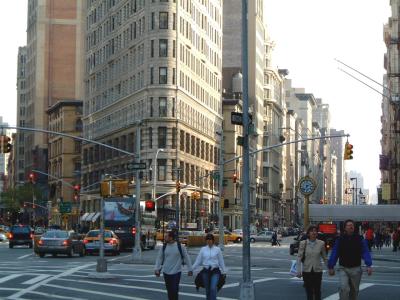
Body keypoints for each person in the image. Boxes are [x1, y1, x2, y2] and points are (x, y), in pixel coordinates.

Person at [328, 219, 372, 300]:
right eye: (348, 225)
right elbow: (335, 253)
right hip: (343, 268)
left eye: (352, 225)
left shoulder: (360, 239)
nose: (350, 226)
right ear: (345, 228)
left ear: (354, 227)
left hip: (356, 269)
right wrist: (331, 266)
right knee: (343, 288)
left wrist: (368, 265)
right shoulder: (340, 239)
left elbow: (365, 252)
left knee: (354, 291)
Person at [154, 231, 193, 300]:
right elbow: (159, 258)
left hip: (176, 272)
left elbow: (187, 258)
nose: (165, 238)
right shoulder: (164, 247)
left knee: (174, 289)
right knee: (169, 290)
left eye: (166, 236)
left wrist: (190, 269)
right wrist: (156, 269)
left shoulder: (180, 247)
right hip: (166, 272)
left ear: (171, 237)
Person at [296, 225, 327, 300]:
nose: (314, 232)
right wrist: (298, 270)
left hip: (317, 270)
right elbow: (299, 257)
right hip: (307, 271)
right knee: (309, 291)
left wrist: (330, 268)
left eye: (315, 231)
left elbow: (324, 257)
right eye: (312, 231)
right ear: (308, 233)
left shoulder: (321, 243)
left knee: (317, 291)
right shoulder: (303, 243)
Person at [192, 233, 226, 300]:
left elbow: (221, 261)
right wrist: (191, 269)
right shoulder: (203, 249)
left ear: (213, 240)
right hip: (205, 271)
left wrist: (224, 271)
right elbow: (198, 261)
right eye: (207, 239)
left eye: (210, 239)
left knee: (213, 288)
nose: (209, 241)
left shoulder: (217, 249)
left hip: (215, 271)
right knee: (207, 290)